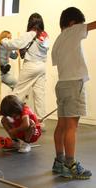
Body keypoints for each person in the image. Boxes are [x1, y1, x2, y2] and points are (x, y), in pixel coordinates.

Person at [51, 7, 96, 179]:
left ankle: (59, 162)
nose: (82, 27)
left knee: (61, 126)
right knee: (71, 127)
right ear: (72, 23)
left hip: (61, 84)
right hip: (74, 84)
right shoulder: (74, 30)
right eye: (80, 24)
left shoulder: (58, 40)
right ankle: (70, 164)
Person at [0, 13, 49, 129]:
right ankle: (41, 122)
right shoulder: (45, 35)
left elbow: (14, 44)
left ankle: (9, 116)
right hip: (42, 66)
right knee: (39, 95)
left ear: (30, 23)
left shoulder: (31, 33)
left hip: (31, 65)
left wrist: (4, 40)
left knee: (18, 92)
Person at [0, 31, 18, 113]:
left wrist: (16, 49)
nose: (10, 39)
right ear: (4, 37)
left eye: (10, 38)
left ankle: (13, 108)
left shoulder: (8, 47)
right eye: (8, 37)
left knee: (16, 84)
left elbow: (14, 56)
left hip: (4, 72)